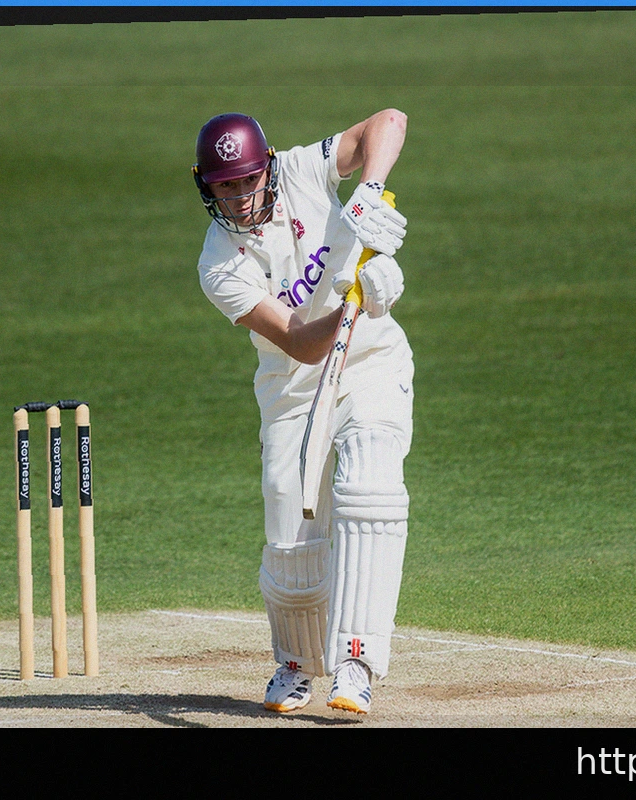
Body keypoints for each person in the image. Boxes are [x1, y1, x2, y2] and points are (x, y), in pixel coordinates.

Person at [193, 110, 413, 714]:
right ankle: (296, 663)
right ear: (206, 186)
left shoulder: (299, 169)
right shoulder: (218, 265)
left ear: (266, 169)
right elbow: (299, 342)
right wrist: (357, 302)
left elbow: (389, 121)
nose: (240, 197)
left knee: (369, 482)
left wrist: (369, 191)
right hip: (292, 386)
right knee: (289, 524)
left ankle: (356, 662)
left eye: (248, 180)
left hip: (371, 362)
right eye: (225, 186)